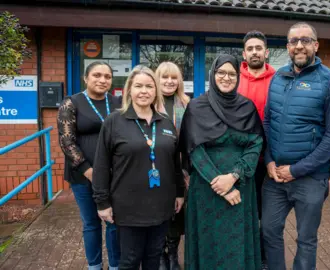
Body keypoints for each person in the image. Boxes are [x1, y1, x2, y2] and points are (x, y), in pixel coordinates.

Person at [261, 22, 330, 270]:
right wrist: (268, 159)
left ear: (316, 45)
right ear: (288, 47)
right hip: (275, 177)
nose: (299, 45)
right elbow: (268, 121)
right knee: (269, 230)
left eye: (305, 40)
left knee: (306, 240)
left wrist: (296, 170)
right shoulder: (278, 78)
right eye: (294, 41)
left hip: (310, 178)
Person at [92, 65, 185, 270]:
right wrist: (102, 202)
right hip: (128, 207)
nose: (144, 91)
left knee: (153, 258)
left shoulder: (166, 123)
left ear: (156, 91)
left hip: (161, 205)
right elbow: (101, 165)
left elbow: (175, 164)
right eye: (138, 86)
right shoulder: (114, 121)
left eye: (149, 86)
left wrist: (179, 193)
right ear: (129, 90)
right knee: (130, 260)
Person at [180, 54, 264, 270]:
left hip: (241, 185)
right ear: (213, 74)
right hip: (207, 188)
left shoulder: (247, 107)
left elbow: (256, 143)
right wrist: (222, 186)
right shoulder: (196, 107)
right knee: (208, 242)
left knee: (238, 241)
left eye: (232, 74)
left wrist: (234, 176)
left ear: (238, 77)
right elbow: (194, 150)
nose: (226, 78)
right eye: (221, 72)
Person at [57, 61, 121, 270]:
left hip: (114, 174)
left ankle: (115, 265)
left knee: (114, 222)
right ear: (86, 78)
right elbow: (66, 141)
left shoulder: (117, 102)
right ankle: (94, 265)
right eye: (97, 75)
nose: (102, 80)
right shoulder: (71, 103)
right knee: (91, 223)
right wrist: (88, 170)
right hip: (82, 174)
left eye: (107, 76)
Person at [237, 30, 276, 269]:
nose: (254, 52)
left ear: (266, 52)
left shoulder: (279, 80)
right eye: (250, 48)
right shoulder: (234, 79)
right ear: (244, 53)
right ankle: (241, 253)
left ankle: (261, 257)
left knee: (264, 212)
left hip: (267, 159)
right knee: (240, 209)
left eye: (258, 48)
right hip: (239, 158)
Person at [155, 61, 190, 270]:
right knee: (158, 212)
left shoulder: (187, 104)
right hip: (155, 167)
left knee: (177, 213)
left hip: (180, 169)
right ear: (157, 80)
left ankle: (173, 256)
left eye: (173, 77)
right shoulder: (149, 103)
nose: (169, 81)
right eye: (164, 77)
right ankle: (160, 256)